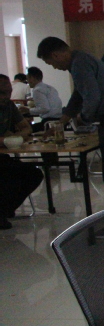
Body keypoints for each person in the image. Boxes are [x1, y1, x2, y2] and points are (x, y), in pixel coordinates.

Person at [36, 37, 104, 224]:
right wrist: (62, 121)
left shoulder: (79, 64)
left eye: (51, 63)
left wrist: (84, 119)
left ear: (55, 55)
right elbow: (78, 95)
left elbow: (92, 97)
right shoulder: (82, 60)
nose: (54, 67)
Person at [0, 74, 44, 230]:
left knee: (34, 174)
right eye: (2, 93)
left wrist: (12, 137)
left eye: (9, 92)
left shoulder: (9, 106)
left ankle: (5, 210)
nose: (7, 96)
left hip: (3, 156)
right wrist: (7, 139)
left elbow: (27, 128)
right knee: (7, 177)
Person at [18, 66, 63, 133]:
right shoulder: (50, 88)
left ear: (32, 78)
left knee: (24, 130)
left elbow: (44, 108)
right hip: (59, 120)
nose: (27, 81)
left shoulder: (37, 90)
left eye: (28, 78)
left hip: (48, 122)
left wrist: (28, 110)